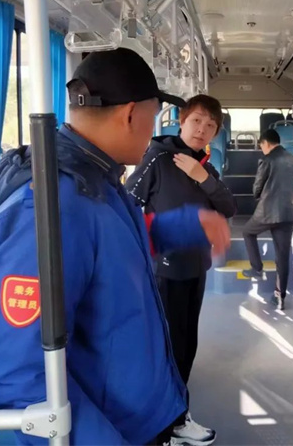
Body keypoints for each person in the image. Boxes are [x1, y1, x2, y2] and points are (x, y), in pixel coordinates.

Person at [0, 47, 231, 446]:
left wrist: (187, 225)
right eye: (153, 116)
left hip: (134, 415)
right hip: (111, 431)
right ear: (130, 114)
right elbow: (25, 377)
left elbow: (119, 242)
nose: (153, 129)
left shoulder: (97, 179)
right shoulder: (50, 208)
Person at [126, 94, 235, 446]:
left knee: (186, 346)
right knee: (166, 349)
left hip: (195, 267)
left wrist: (202, 176)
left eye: (210, 125)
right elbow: (128, 204)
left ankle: (176, 417)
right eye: (196, 121)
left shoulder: (205, 166)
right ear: (181, 120)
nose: (202, 129)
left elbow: (228, 206)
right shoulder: (157, 158)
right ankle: (165, 426)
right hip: (164, 270)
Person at [242, 129, 293, 310]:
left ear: (266, 143)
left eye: (261, 146)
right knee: (282, 256)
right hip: (289, 212)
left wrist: (258, 196)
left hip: (268, 212)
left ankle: (257, 268)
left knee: (248, 232)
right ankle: (279, 297)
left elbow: (257, 187)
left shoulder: (267, 160)